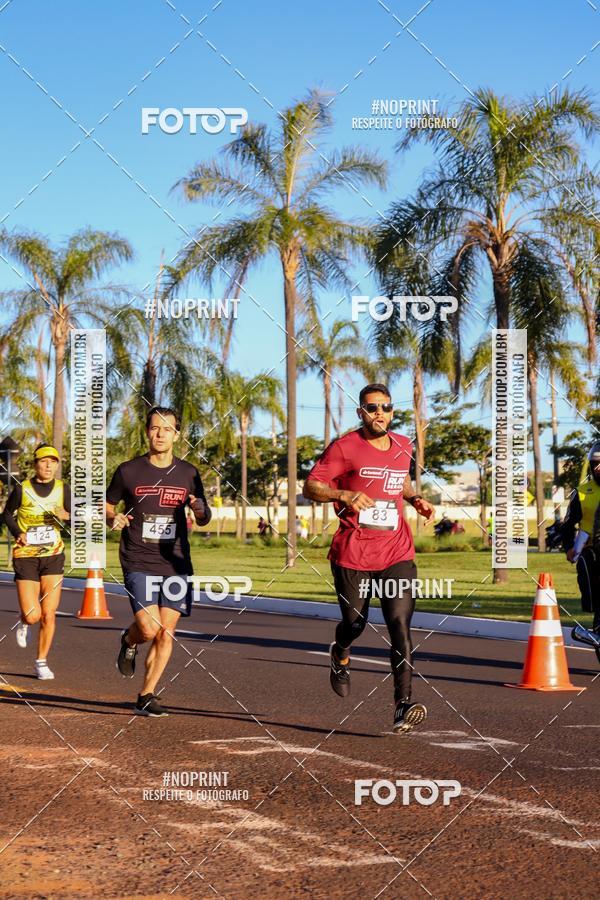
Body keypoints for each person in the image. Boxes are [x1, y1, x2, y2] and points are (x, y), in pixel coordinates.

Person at [303, 383, 435, 733]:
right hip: (353, 552)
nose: (380, 413)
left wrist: (415, 499)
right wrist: (343, 493)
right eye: (372, 407)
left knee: (400, 625)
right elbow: (311, 486)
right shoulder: (345, 447)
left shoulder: (403, 445)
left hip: (396, 550)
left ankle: (402, 705)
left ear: (393, 412)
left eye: (386, 407)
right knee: (355, 624)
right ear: (361, 412)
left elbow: (400, 481)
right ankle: (340, 651)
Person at [106, 406, 211, 717]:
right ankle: (128, 638)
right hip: (137, 558)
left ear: (177, 434)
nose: (161, 433)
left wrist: (200, 508)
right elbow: (107, 505)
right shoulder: (128, 470)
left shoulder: (189, 473)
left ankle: (146, 694)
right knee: (149, 628)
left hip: (175, 563)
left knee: (166, 632)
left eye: (168, 429)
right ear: (147, 431)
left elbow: (203, 516)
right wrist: (114, 517)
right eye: (155, 428)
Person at [3, 444, 70, 679]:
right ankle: (24, 621)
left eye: (53, 461)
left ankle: (41, 662)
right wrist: (17, 533)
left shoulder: (63, 489)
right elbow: (6, 514)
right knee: (33, 615)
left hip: (53, 555)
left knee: (49, 614)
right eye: (44, 461)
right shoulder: (23, 489)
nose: (49, 465)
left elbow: (74, 521)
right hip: (26, 556)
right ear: (35, 464)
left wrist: (67, 517)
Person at [562, 441, 600, 656]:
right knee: (587, 566)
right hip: (593, 551)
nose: (598, 469)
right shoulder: (583, 492)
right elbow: (568, 525)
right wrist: (569, 547)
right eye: (595, 464)